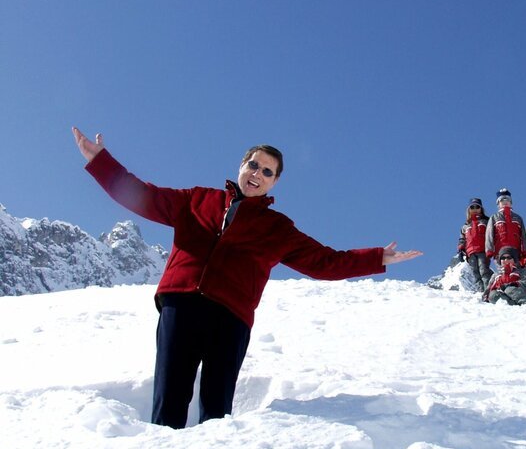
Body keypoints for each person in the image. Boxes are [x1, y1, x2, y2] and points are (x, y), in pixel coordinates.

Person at [72, 127, 422, 429]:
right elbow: (142, 196)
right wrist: (100, 162)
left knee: (216, 407)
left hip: (230, 318)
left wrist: (377, 257)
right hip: (181, 305)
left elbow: (325, 262)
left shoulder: (277, 229)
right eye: (253, 165)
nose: (257, 173)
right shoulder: (197, 200)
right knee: (169, 396)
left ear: (274, 182)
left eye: (267, 171)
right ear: (241, 166)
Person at [456, 198, 492, 291]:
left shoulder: (486, 221)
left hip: (483, 250)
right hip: (470, 252)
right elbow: (462, 239)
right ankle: (481, 291)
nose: (475, 209)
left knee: (484, 270)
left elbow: (491, 234)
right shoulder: (466, 225)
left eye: (477, 207)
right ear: (469, 210)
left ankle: (488, 291)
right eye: (472, 207)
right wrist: (460, 250)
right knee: (475, 272)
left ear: (481, 209)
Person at [485, 188, 526, 264]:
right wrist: (489, 250)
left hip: (515, 250)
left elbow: (523, 235)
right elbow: (489, 235)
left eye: (507, 200)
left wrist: (525, 250)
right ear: (498, 204)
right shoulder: (494, 217)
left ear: (511, 202)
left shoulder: (518, 218)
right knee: (502, 272)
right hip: (500, 251)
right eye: (502, 200)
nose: (505, 202)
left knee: (516, 272)